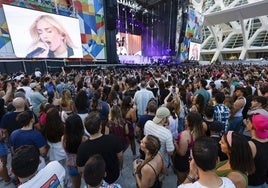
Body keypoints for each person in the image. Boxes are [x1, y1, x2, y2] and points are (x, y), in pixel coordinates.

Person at [76, 112, 123, 184]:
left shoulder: (82, 148)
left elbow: (80, 170)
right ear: (100, 126)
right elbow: (120, 156)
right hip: (113, 176)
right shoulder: (112, 139)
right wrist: (120, 167)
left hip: (95, 181)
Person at [62, 114, 88, 188]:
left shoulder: (64, 139)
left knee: (75, 186)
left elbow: (65, 149)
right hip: (83, 165)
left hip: (71, 166)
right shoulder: (84, 139)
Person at [246, 114, 268, 188]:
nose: (246, 123)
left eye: (248, 122)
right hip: (263, 181)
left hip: (251, 183)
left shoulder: (251, 145)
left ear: (252, 126)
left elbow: (243, 167)